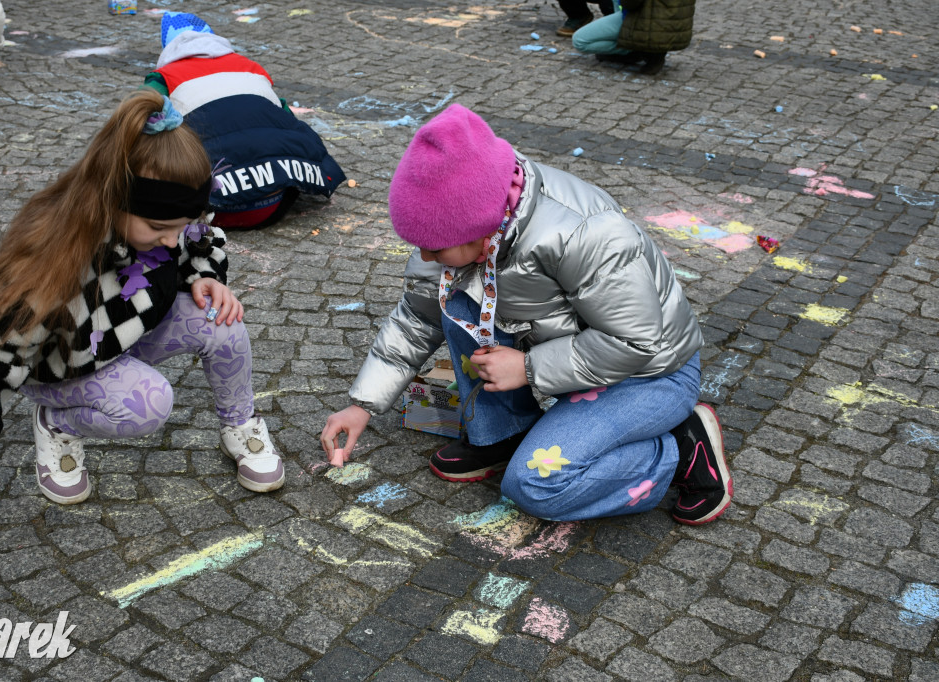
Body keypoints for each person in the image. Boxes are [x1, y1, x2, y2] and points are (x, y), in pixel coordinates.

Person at [320, 104, 732, 525]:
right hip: (573, 362)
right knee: (453, 297)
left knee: (535, 485)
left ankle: (680, 449)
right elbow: (417, 318)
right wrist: (362, 405)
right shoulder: (463, 227)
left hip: (648, 374)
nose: (423, 254)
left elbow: (638, 341)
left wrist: (529, 367)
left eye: (435, 245)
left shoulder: (585, 234)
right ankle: (503, 433)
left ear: (478, 226)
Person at [0, 90, 284, 515]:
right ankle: (56, 424)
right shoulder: (49, 257)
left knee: (224, 322)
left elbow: (197, 237)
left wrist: (204, 275)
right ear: (114, 199)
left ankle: (240, 423)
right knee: (151, 403)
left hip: (125, 333)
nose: (172, 239)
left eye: (181, 224)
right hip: (63, 365)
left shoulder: (169, 214)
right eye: (159, 227)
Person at [142, 12, 345, 230]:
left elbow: (135, 120)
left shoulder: (164, 76)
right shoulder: (251, 66)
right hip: (274, 207)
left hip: (212, 212)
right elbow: (285, 116)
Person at [572, 0, 696, 75]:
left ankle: (634, 49)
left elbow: (630, 4)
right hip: (674, 25)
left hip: (647, 22)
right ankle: (650, 50)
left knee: (580, 40)